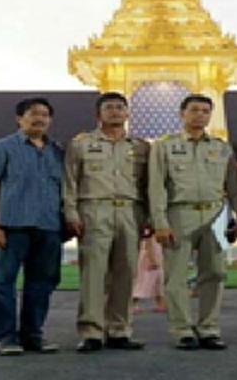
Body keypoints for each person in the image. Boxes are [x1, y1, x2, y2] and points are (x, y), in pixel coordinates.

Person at [149, 94, 237, 350]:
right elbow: (156, 187)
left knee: (215, 273)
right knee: (176, 276)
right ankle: (182, 330)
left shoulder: (222, 148)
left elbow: (233, 187)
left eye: (205, 111)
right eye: (194, 110)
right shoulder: (165, 146)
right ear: (182, 114)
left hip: (216, 214)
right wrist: (159, 222)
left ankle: (209, 328)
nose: (200, 115)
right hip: (180, 213)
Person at [0, 97, 66, 356]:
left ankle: (32, 334)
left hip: (48, 226)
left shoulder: (57, 151)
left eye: (45, 115)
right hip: (11, 226)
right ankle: (5, 337)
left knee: (42, 283)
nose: (39, 119)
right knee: (4, 283)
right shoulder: (3, 147)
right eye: (33, 113)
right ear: (19, 118)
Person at [64, 92, 151, 353]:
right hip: (94, 209)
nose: (115, 111)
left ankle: (119, 330)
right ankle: (91, 331)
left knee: (126, 273)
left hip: (130, 210)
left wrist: (150, 217)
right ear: (98, 114)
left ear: (127, 113)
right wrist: (71, 213)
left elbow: (149, 185)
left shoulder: (141, 147)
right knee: (93, 274)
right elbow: (70, 181)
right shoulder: (81, 144)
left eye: (120, 107)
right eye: (109, 107)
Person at [132, 235, 166, 314]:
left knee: (159, 283)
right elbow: (148, 246)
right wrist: (152, 260)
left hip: (158, 257)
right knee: (143, 283)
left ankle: (160, 303)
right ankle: (132, 304)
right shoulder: (150, 233)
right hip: (148, 260)